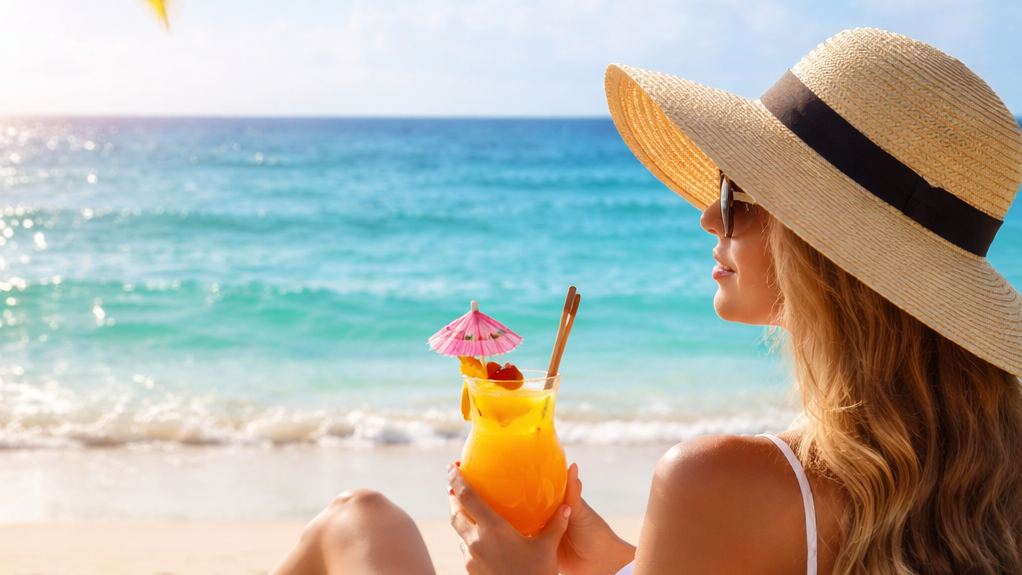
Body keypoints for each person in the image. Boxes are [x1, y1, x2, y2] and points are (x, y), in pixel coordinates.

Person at [270, 28, 1022, 575]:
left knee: (356, 521)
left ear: (821, 250)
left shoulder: (719, 482)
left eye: (737, 195)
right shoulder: (986, 481)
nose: (709, 218)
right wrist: (625, 560)